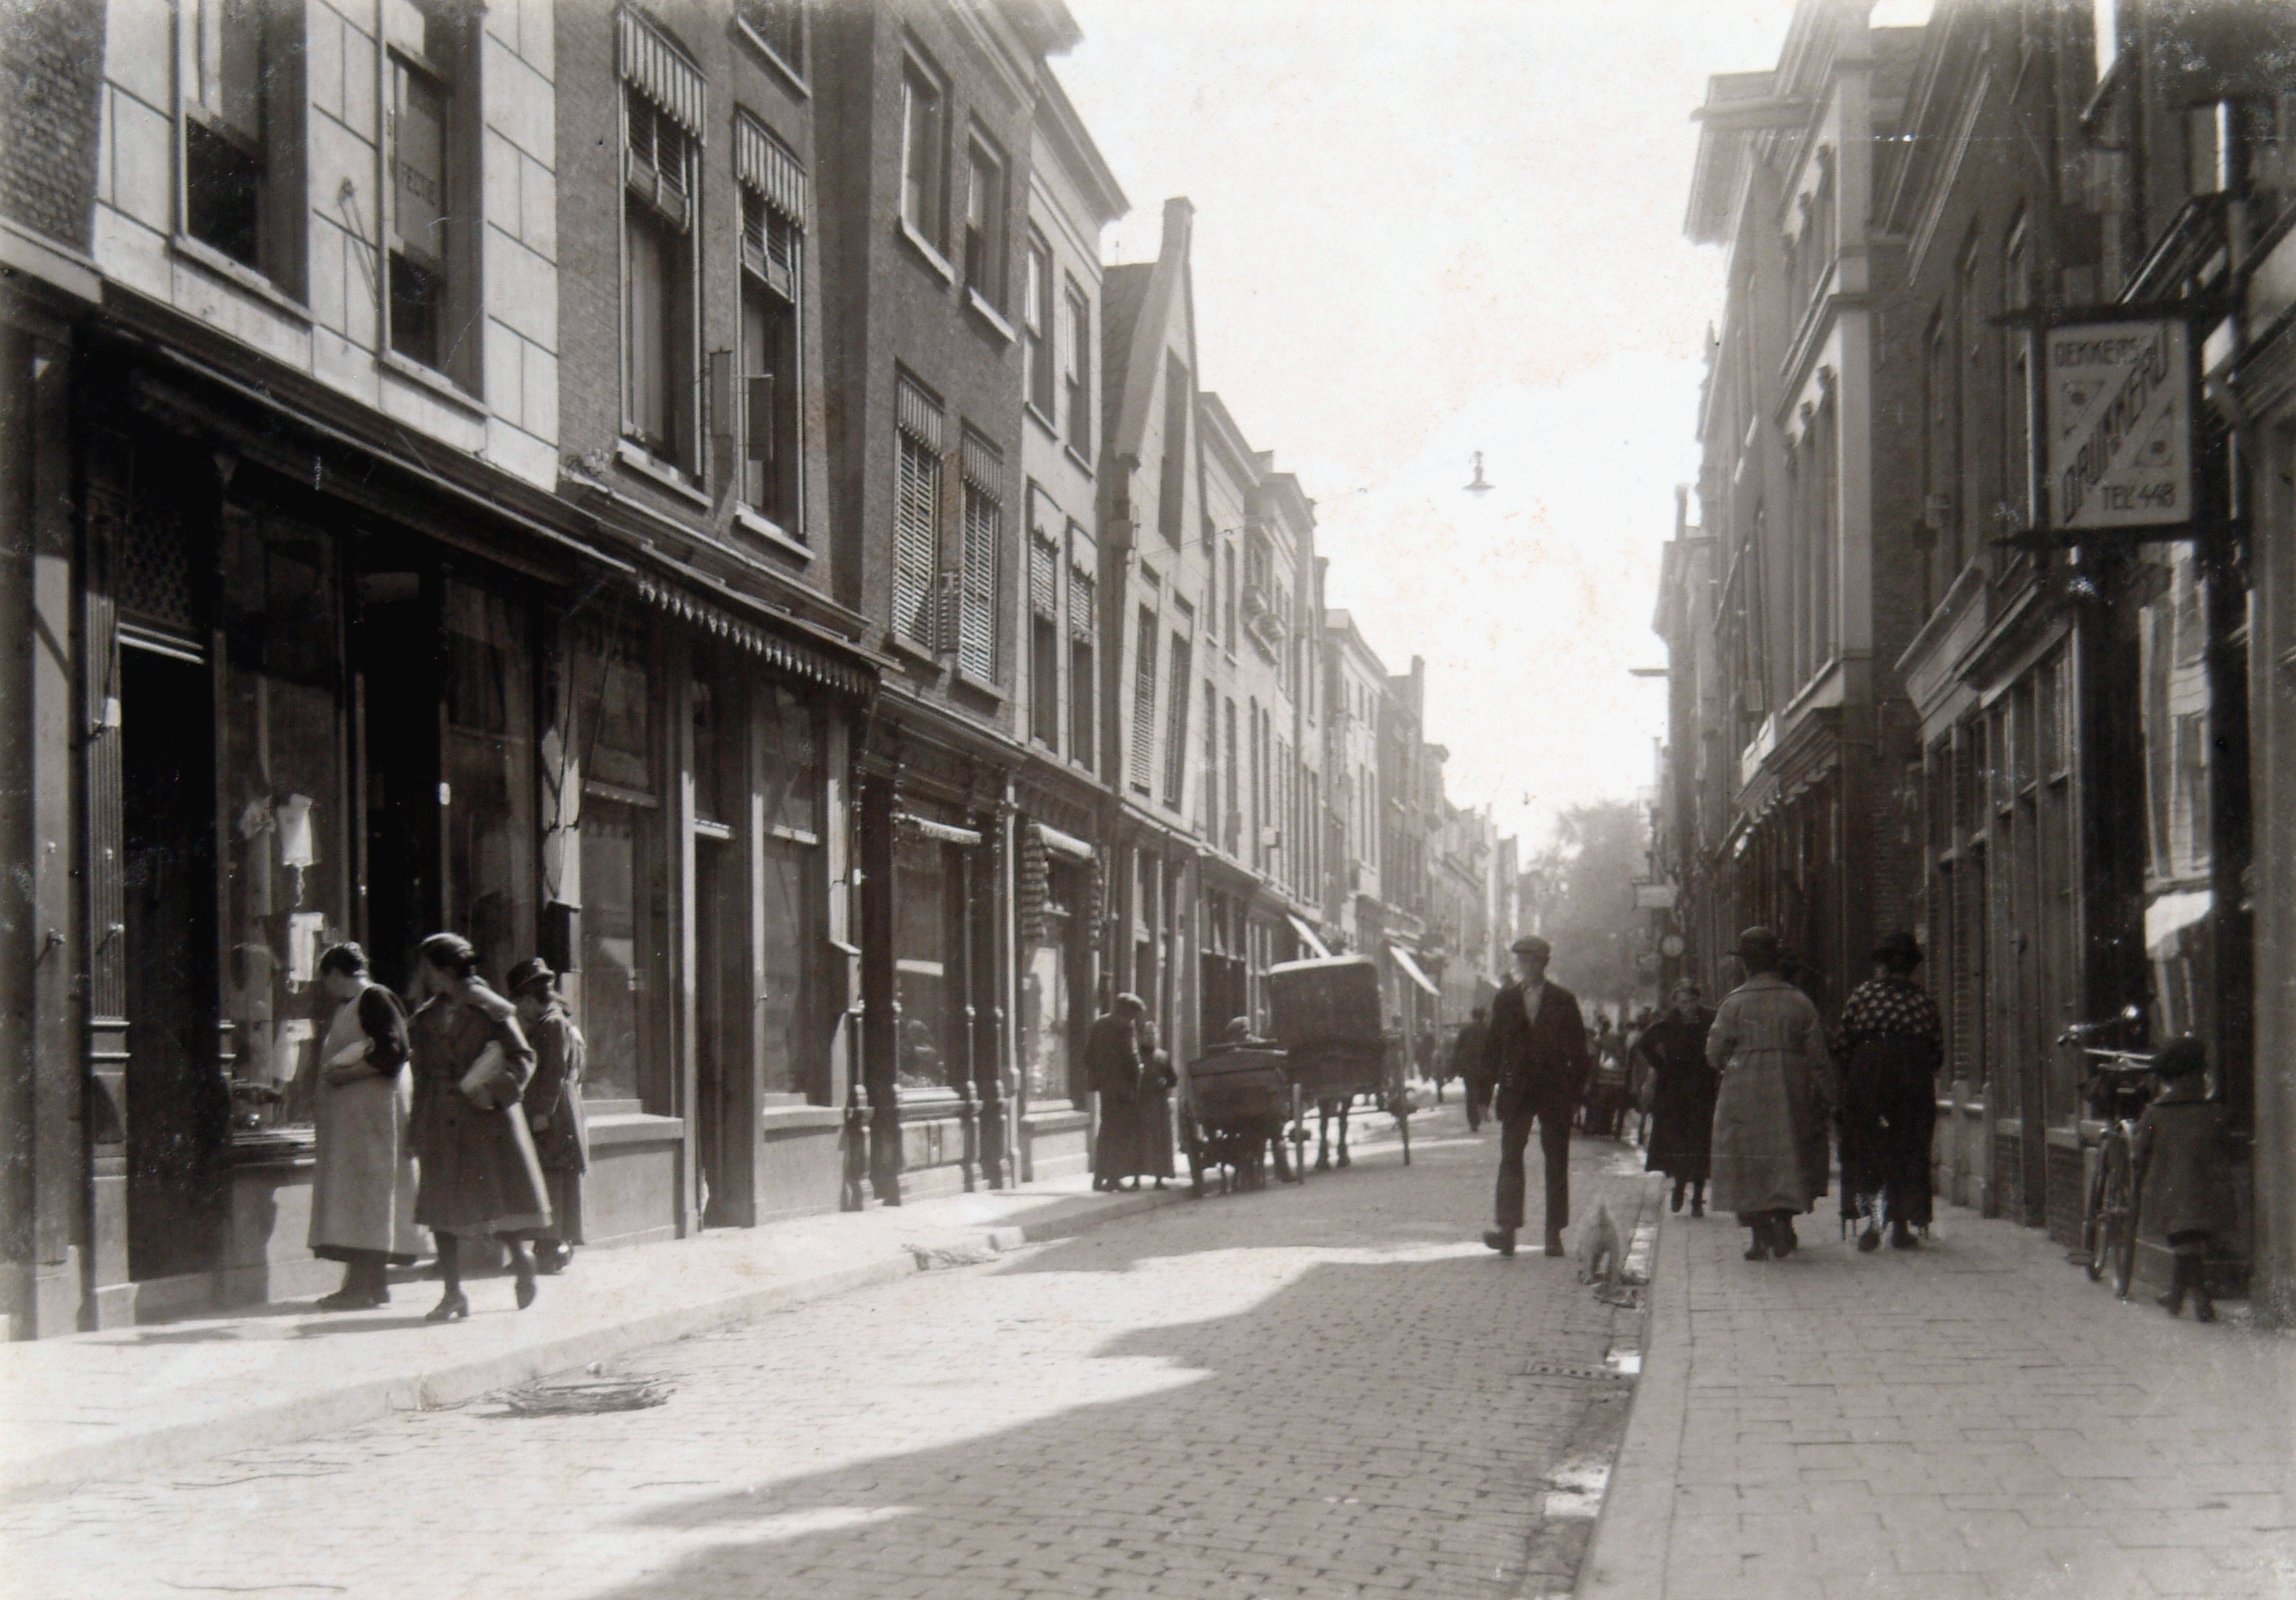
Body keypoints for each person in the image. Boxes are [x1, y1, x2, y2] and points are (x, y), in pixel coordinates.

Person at [407, 933, 550, 1321]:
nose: (425, 976)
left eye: (429, 968)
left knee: (496, 1201)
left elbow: (523, 1058)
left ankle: (521, 1259)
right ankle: (453, 1293)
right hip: (440, 1120)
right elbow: (421, 1079)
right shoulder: (424, 1019)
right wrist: (415, 1131)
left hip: (486, 1121)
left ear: (446, 970)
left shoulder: (492, 1010)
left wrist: (495, 1093)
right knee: (440, 1210)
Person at [1707, 927, 1834, 1262]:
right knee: (1789, 1154)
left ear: (1745, 964)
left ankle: (1758, 1234)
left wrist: (1735, 1061)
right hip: (1792, 1087)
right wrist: (1826, 1093)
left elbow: (1714, 1051)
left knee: (1748, 1158)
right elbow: (1818, 1055)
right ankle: (1784, 1223)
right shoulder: (1799, 1001)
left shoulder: (1733, 1003)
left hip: (1743, 1089)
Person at [307, 943, 421, 1309]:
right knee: (365, 1202)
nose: (326, 989)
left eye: (326, 980)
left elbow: (394, 1051)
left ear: (335, 974)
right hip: (359, 1123)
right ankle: (372, 1284)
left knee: (368, 1201)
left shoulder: (374, 998)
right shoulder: (354, 1005)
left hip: (374, 1121)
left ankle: (360, 1288)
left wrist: (348, 1074)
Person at [1480, 934, 1593, 1258]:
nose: (1525, 966)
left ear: (1544, 962)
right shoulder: (1505, 1000)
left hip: (1554, 1090)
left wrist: (1575, 1093)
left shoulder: (1563, 1000)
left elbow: (1580, 1051)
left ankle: (1554, 1233)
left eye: (1531, 960)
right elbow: (1492, 1048)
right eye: (1521, 960)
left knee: (1556, 1159)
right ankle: (1507, 1230)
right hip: (1516, 1091)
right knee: (1510, 1157)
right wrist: (1483, 1094)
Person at [1835, 932, 1943, 1251]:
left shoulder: (1863, 996)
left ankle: (1872, 1224)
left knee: (1868, 1147)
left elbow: (1842, 1043)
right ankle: (1901, 1225)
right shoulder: (1923, 1001)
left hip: (1868, 1080)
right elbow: (1937, 1052)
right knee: (1909, 1148)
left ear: (1881, 965)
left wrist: (1858, 1069)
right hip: (1913, 1082)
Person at [2133, 1036, 2237, 1321]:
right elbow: (2226, 1146)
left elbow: (2140, 1152)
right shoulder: (2213, 1112)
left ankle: (2196, 1296)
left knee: (2184, 1242)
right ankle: (2182, 1295)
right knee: (2192, 1243)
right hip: (2208, 1194)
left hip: (2168, 1193)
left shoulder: (2155, 1114)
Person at [507, 957, 587, 1275]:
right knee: (553, 1176)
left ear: (529, 998)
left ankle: (550, 1249)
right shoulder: (556, 1020)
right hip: (559, 1109)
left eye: (520, 1003)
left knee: (553, 1176)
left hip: (554, 1114)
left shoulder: (552, 1025)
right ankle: (552, 1247)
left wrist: (542, 1112)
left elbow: (553, 1071)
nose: (519, 1010)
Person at [1633, 980, 1718, 1217]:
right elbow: (1644, 1043)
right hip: (1675, 1091)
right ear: (1676, 1003)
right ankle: (1679, 1187)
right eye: (1683, 1002)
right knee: (1680, 1142)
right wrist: (1662, 1067)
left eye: (1691, 1001)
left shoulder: (1710, 1020)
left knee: (1701, 1142)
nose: (1687, 1007)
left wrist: (1717, 1066)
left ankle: (1698, 1197)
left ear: (1698, 1001)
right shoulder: (1668, 1023)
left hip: (1703, 1088)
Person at [1084, 994, 1146, 1193]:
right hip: (1124, 1090)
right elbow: (1131, 1057)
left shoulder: (1100, 1023)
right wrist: (1138, 1078)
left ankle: (1099, 1178)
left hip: (1106, 1089)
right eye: (1135, 1014)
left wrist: (1101, 1077)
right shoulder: (1125, 1026)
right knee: (1121, 1133)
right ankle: (1114, 1178)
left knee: (1106, 1131)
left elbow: (1087, 1056)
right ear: (1129, 1011)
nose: (1135, 1019)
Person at [1135, 1019, 1179, 1191]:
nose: (1150, 1037)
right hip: (1141, 1104)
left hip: (1159, 1105)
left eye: (1153, 1033)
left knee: (1159, 1142)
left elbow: (1173, 1079)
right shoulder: (1137, 1056)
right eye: (1147, 1034)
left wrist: (1165, 1082)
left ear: (1157, 1036)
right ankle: (1136, 1179)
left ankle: (1159, 1178)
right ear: (1141, 1037)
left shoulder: (1163, 1056)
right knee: (1139, 1141)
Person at [1452, 1006, 1492, 1131]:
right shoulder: (1489, 1030)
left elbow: (1457, 1049)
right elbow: (1495, 1048)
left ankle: (1473, 1121)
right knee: (1486, 1090)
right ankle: (1483, 1107)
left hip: (1469, 1067)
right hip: (1486, 1067)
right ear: (1484, 1016)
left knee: (1471, 1094)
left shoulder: (1465, 1030)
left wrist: (1457, 1067)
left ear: (1472, 1016)